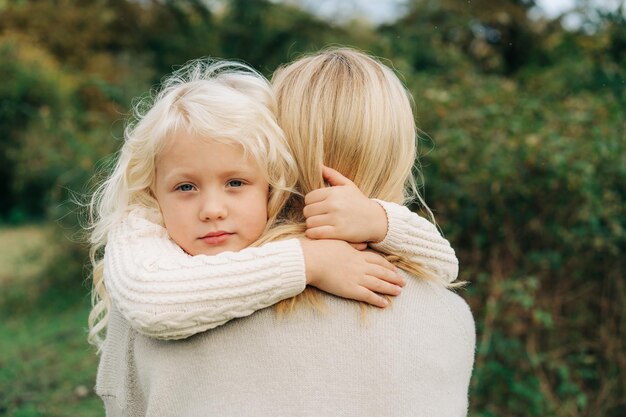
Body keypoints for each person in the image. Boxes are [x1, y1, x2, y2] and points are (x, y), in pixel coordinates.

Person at [91, 50, 471, 417]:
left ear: (277, 158)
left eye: (235, 182)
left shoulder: (171, 287)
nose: (212, 209)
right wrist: (317, 255)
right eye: (186, 187)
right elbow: (447, 267)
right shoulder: (449, 315)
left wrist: (378, 220)